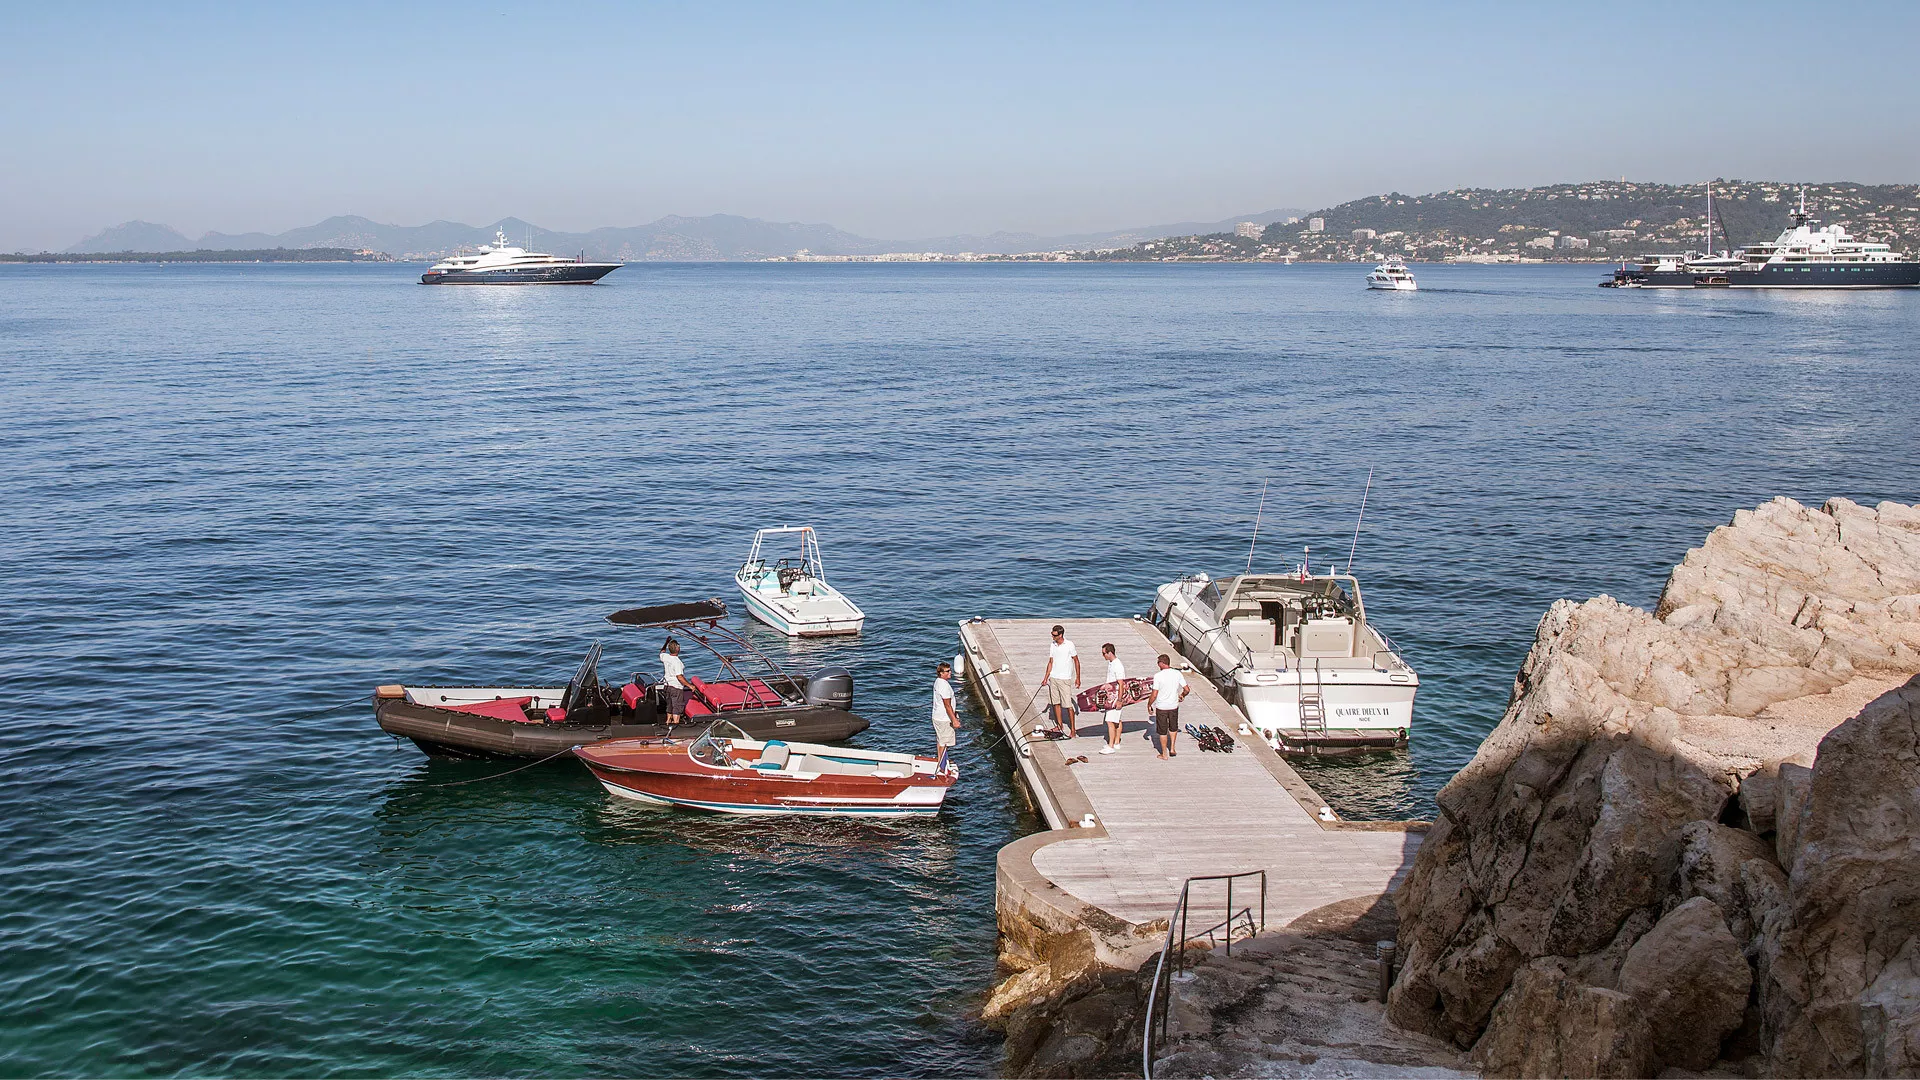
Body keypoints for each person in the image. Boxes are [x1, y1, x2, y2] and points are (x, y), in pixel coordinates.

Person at [1146, 653, 1189, 760]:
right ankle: (1172, 749)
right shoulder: (1177, 674)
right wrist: (1182, 695)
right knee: (1173, 727)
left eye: (1158, 663)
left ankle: (1164, 754)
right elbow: (1187, 689)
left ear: (1162, 663)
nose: (1157, 665)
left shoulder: (1158, 676)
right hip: (1174, 705)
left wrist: (1149, 704)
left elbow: (1154, 694)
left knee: (1162, 730)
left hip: (1162, 707)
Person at [1041, 624, 1080, 737]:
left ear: (1060, 635)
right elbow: (1051, 662)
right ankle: (1059, 725)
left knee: (1068, 705)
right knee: (1056, 703)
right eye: (1052, 634)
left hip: (1065, 678)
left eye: (1054, 635)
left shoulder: (1069, 645)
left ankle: (1073, 730)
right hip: (1054, 677)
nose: (1052, 637)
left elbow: (1076, 661)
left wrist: (1078, 678)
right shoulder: (1052, 645)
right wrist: (1046, 677)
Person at [932, 661, 960, 774]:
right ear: (941, 673)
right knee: (944, 743)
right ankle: (942, 768)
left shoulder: (939, 682)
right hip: (944, 719)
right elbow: (947, 705)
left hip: (938, 716)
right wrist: (954, 720)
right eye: (947, 671)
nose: (950, 673)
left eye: (950, 670)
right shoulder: (943, 686)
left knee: (941, 741)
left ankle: (942, 762)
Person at [659, 638, 691, 729]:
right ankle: (676, 725)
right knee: (677, 707)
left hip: (667, 686)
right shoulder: (677, 662)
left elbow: (662, 652)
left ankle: (668, 721)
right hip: (676, 687)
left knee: (669, 705)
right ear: (678, 649)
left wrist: (666, 642)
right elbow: (679, 677)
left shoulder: (666, 657)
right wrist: (689, 685)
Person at [1099, 643, 1125, 755]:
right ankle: (1116, 742)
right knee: (1117, 720)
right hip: (1111, 695)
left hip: (1115, 697)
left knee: (1110, 721)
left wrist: (1119, 700)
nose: (1103, 655)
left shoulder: (1117, 665)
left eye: (1104, 653)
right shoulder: (1111, 663)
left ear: (1110, 653)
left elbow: (1121, 683)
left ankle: (1110, 746)